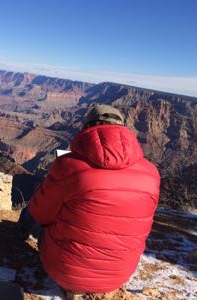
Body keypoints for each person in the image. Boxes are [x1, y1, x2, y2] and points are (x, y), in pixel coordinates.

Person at [18, 103, 160, 299]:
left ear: (86, 128)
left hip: (67, 273)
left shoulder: (68, 165)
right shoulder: (151, 172)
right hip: (120, 274)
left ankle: (17, 238)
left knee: (31, 212)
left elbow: (41, 213)